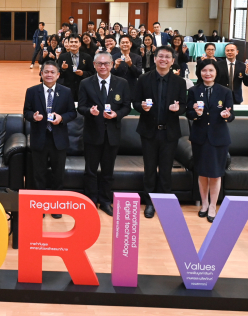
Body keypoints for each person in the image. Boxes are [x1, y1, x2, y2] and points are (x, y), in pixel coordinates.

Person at [132, 46, 187, 219]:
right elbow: (135, 102)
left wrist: (178, 109)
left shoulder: (180, 82)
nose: (163, 59)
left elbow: (184, 106)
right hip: (149, 132)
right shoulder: (143, 79)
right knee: (149, 169)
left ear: (172, 61)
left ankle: (164, 203)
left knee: (165, 170)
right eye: (160, 56)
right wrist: (142, 107)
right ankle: (149, 203)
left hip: (169, 132)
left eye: (167, 57)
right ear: (154, 59)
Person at [76, 52, 131, 216]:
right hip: (92, 133)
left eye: (106, 63)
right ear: (94, 65)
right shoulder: (85, 83)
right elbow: (81, 107)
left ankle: (105, 201)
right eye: (99, 63)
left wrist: (116, 114)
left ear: (112, 64)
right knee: (90, 171)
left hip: (112, 134)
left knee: (108, 172)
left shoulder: (122, 83)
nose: (103, 66)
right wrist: (89, 111)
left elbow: (126, 106)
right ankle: (91, 201)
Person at [24, 61, 77, 213]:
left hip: (58, 139)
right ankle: (39, 206)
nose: (49, 75)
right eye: (46, 72)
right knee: (38, 174)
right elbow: (26, 112)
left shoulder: (66, 91)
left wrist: (62, 118)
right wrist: (33, 117)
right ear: (41, 73)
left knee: (58, 174)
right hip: (39, 138)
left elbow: (72, 113)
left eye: (52, 72)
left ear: (58, 75)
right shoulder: (32, 91)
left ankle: (56, 206)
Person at [187, 59, 234, 223]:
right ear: (199, 72)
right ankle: (204, 204)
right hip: (199, 138)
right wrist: (196, 114)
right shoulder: (193, 91)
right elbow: (188, 113)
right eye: (204, 70)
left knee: (215, 174)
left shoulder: (225, 91)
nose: (207, 73)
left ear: (216, 72)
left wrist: (227, 115)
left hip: (218, 138)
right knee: (202, 172)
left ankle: (213, 206)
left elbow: (231, 115)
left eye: (211, 70)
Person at [57, 35, 93, 102]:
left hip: (83, 88)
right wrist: (63, 69)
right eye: (71, 42)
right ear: (68, 44)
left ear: (80, 44)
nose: (73, 44)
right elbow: (59, 75)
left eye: (76, 42)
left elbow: (93, 73)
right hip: (68, 89)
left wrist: (83, 73)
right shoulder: (62, 57)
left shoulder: (87, 57)